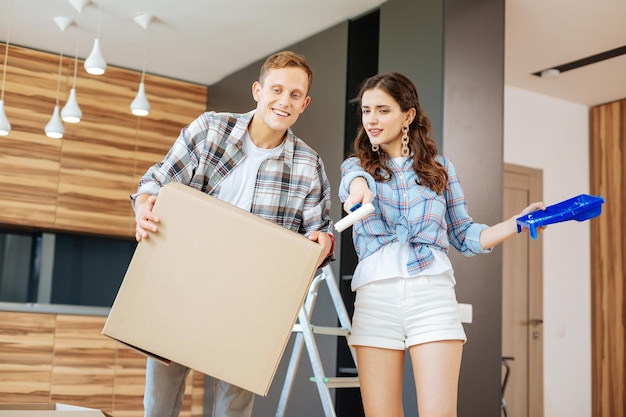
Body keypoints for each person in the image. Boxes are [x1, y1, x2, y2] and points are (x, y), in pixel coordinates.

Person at [132, 50, 335, 417]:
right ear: (258, 90)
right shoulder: (211, 129)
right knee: (158, 402)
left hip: (252, 300)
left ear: (304, 103)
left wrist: (322, 244)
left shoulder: (309, 166)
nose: (283, 101)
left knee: (234, 407)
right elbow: (156, 182)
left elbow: (317, 234)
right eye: (276, 89)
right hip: (182, 281)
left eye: (294, 95)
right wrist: (144, 204)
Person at [338, 72, 545, 417]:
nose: (371, 120)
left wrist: (517, 223)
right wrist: (359, 189)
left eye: (383, 110)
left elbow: (465, 234)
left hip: (431, 297)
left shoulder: (440, 170)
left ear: (408, 115)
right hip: (375, 299)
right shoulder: (357, 168)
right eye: (366, 110)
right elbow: (353, 183)